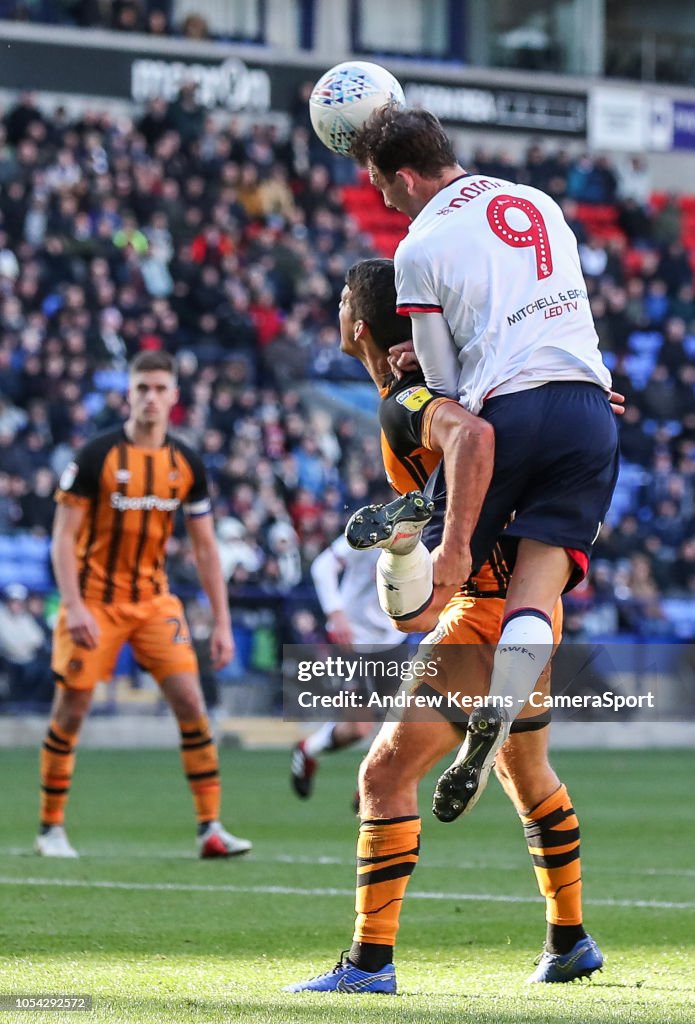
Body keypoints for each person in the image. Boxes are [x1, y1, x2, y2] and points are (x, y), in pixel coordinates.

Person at [286, 259, 612, 993]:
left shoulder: (407, 399)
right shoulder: (457, 374)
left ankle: (369, 963)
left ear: (358, 323)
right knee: (524, 771)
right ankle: (569, 940)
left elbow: (468, 437)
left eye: (340, 299)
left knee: (385, 771)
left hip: (484, 610)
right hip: (535, 602)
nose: (335, 309)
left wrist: (423, 551)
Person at [350, 108, 620, 819]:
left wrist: (409, 361)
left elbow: (444, 385)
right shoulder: (536, 199)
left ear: (405, 176)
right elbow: (557, 318)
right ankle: (498, 706)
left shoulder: (419, 245)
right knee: (538, 591)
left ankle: (407, 538)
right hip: (589, 408)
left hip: (509, 415)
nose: (382, 198)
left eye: (381, 185)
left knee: (429, 591)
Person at [36, 350, 251, 860]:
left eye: (160, 388)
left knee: (193, 705)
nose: (151, 398)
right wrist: (75, 606)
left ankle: (210, 829)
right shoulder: (95, 456)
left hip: (154, 602)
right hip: (94, 602)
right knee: (71, 709)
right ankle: (50, 829)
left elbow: (204, 547)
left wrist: (221, 622)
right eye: (142, 388)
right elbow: (62, 538)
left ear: (174, 396)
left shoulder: (185, 463)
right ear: (128, 394)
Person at [290, 536, 410, 801]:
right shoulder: (377, 528)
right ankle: (308, 749)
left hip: (392, 640)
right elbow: (322, 566)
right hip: (351, 638)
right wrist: (335, 612)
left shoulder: (434, 533)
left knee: (398, 724)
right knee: (358, 727)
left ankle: (371, 781)